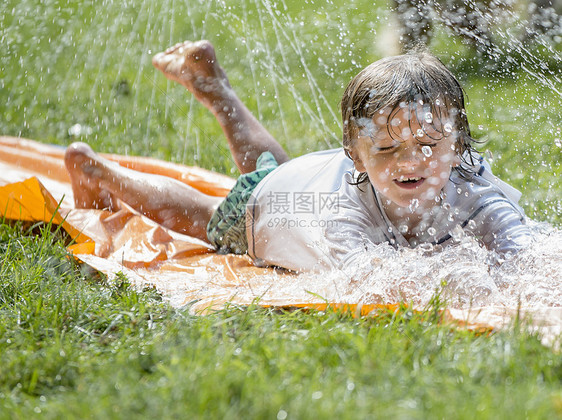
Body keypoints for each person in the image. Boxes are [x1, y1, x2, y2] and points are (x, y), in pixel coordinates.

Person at [64, 40, 531, 273]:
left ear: (459, 145)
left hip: (294, 177)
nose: (410, 162)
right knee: (208, 216)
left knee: (271, 170)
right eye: (387, 149)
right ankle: (101, 172)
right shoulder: (342, 211)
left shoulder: (475, 189)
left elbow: (524, 251)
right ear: (355, 155)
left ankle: (216, 89)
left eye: (428, 146)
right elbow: (370, 282)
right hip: (275, 204)